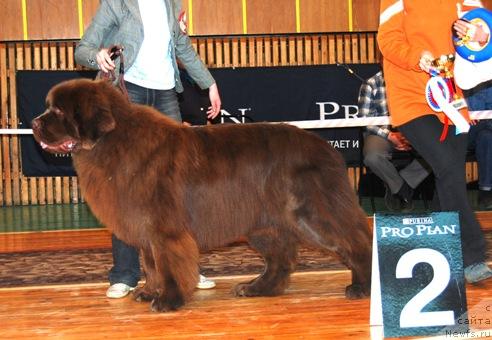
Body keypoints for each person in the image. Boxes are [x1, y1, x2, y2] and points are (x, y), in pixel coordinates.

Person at [74, 0, 220, 298]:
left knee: (178, 189)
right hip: (129, 92)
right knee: (126, 190)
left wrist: (209, 83)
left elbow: (181, 45)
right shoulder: (117, 3)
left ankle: (183, 267)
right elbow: (83, 48)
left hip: (167, 94)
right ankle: (125, 275)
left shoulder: (172, 4)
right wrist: (97, 55)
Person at [377, 0, 492, 283]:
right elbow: (387, 39)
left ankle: (442, 254)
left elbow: (480, 29)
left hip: (452, 98)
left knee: (448, 176)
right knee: (448, 169)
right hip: (411, 97)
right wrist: (418, 57)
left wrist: (482, 37)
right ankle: (474, 253)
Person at [358, 70, 431, 212]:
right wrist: (390, 135)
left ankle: (399, 184)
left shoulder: (415, 79)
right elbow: (364, 120)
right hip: (382, 133)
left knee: (438, 152)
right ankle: (403, 190)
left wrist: (411, 133)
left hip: (412, 130)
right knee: (372, 157)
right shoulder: (371, 84)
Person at [464, 81, 492, 209]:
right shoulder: (462, 76)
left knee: (486, 136)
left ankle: (485, 190)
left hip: (486, 132)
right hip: (464, 130)